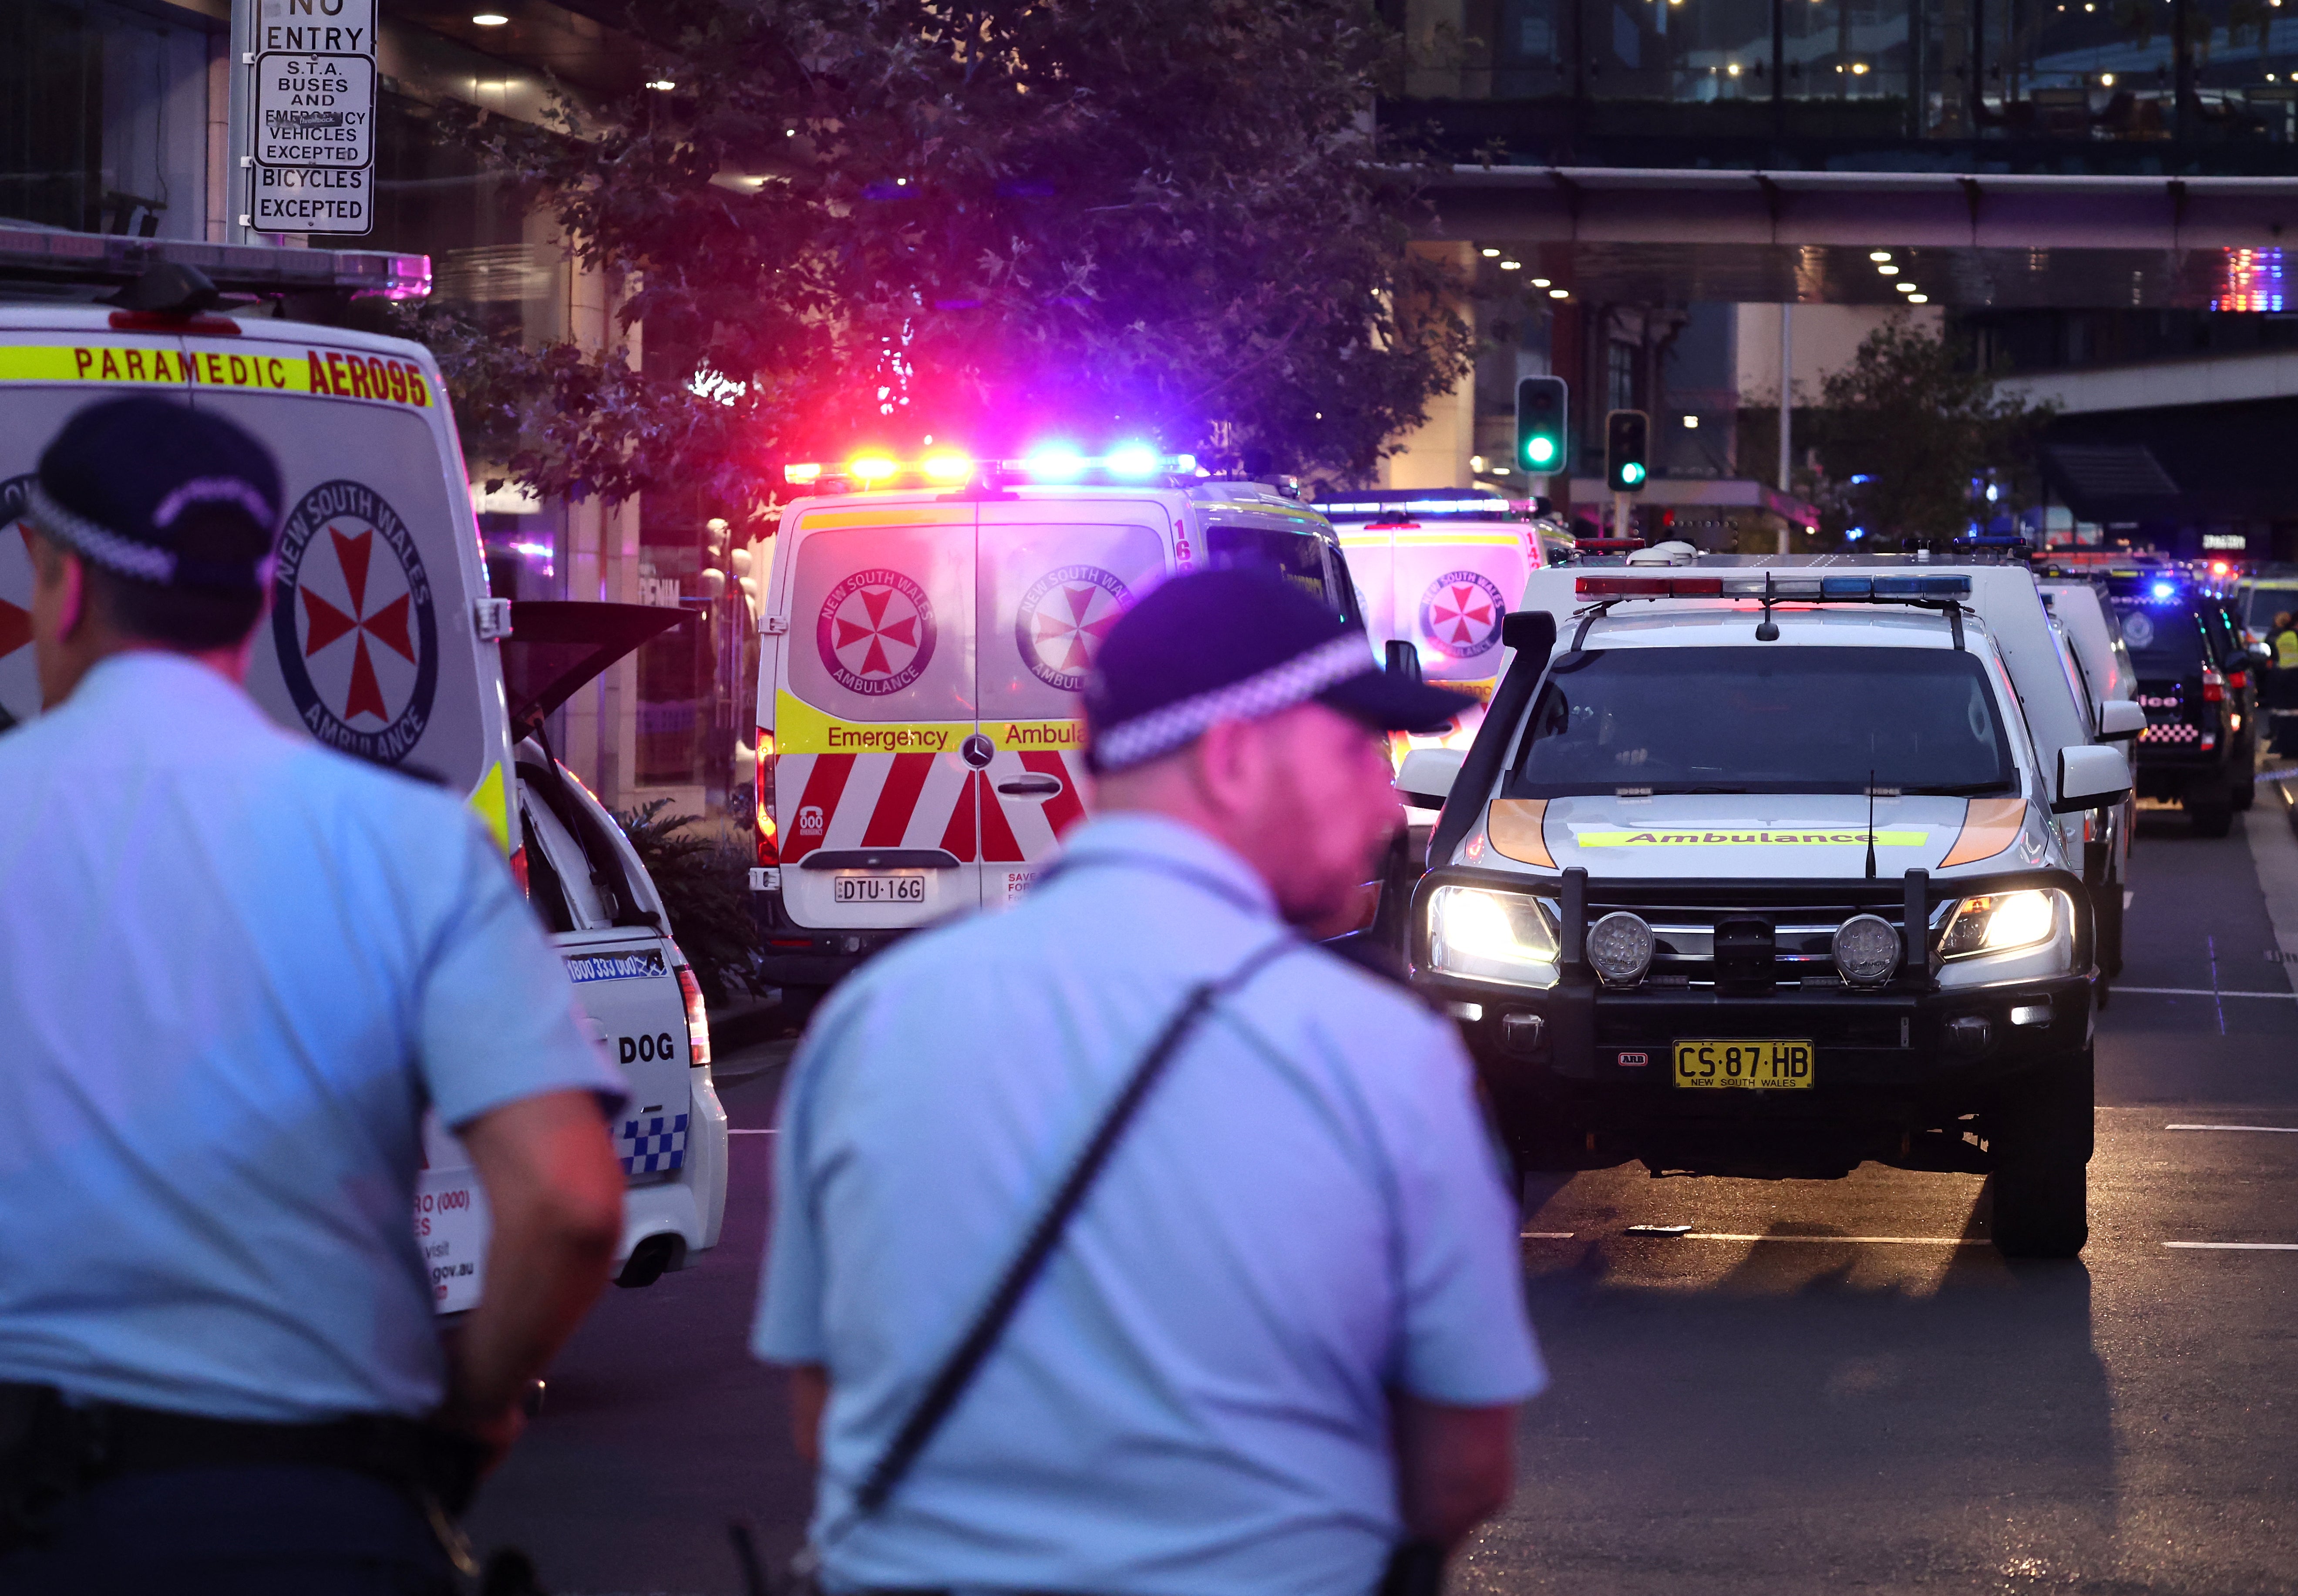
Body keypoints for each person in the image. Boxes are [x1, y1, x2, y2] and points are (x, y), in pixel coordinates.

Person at [753, 567, 1545, 1596]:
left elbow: (825, 1402)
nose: (1385, 800)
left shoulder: (869, 1020)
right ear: (1230, 758)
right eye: (1355, 748)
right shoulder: (1375, 1050)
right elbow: (1461, 1465)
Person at [0, 396, 628, 1594]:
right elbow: (568, 1201)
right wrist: (468, 1416)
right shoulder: (409, 843)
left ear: (63, 585)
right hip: (321, 1516)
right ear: (261, 601)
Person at [2266, 610, 2298, 757]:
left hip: (2281, 676)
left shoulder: (2283, 636)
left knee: (2284, 713)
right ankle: (2295, 747)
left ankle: (2283, 746)